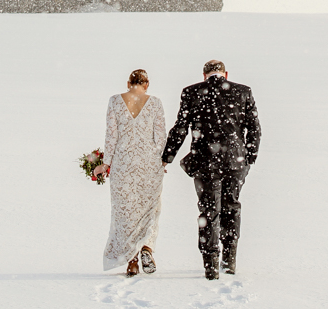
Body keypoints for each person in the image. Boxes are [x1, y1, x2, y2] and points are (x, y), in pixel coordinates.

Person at [161, 59, 261, 280]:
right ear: (225, 74)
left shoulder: (192, 92)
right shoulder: (243, 92)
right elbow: (254, 128)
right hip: (235, 161)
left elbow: (180, 128)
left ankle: (211, 264)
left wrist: (166, 157)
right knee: (231, 207)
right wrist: (248, 158)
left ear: (204, 75)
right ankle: (230, 259)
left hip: (205, 161)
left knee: (208, 212)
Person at [98, 69, 166, 276]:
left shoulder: (115, 101)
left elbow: (111, 137)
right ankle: (146, 247)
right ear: (147, 85)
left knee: (125, 212)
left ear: (129, 83)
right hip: (149, 163)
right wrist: (161, 161)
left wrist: (105, 163)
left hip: (123, 163)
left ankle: (132, 261)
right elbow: (160, 137)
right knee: (149, 209)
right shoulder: (155, 103)